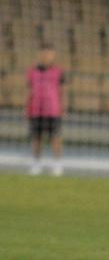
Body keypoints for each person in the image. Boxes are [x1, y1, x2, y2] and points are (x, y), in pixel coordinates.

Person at [26, 44, 65, 176]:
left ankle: (57, 164)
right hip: (36, 110)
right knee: (36, 138)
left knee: (55, 138)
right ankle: (36, 164)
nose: (47, 57)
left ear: (53, 56)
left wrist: (63, 108)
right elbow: (29, 90)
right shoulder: (32, 72)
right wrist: (26, 107)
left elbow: (62, 91)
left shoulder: (58, 72)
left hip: (53, 110)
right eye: (44, 54)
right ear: (40, 55)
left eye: (49, 54)